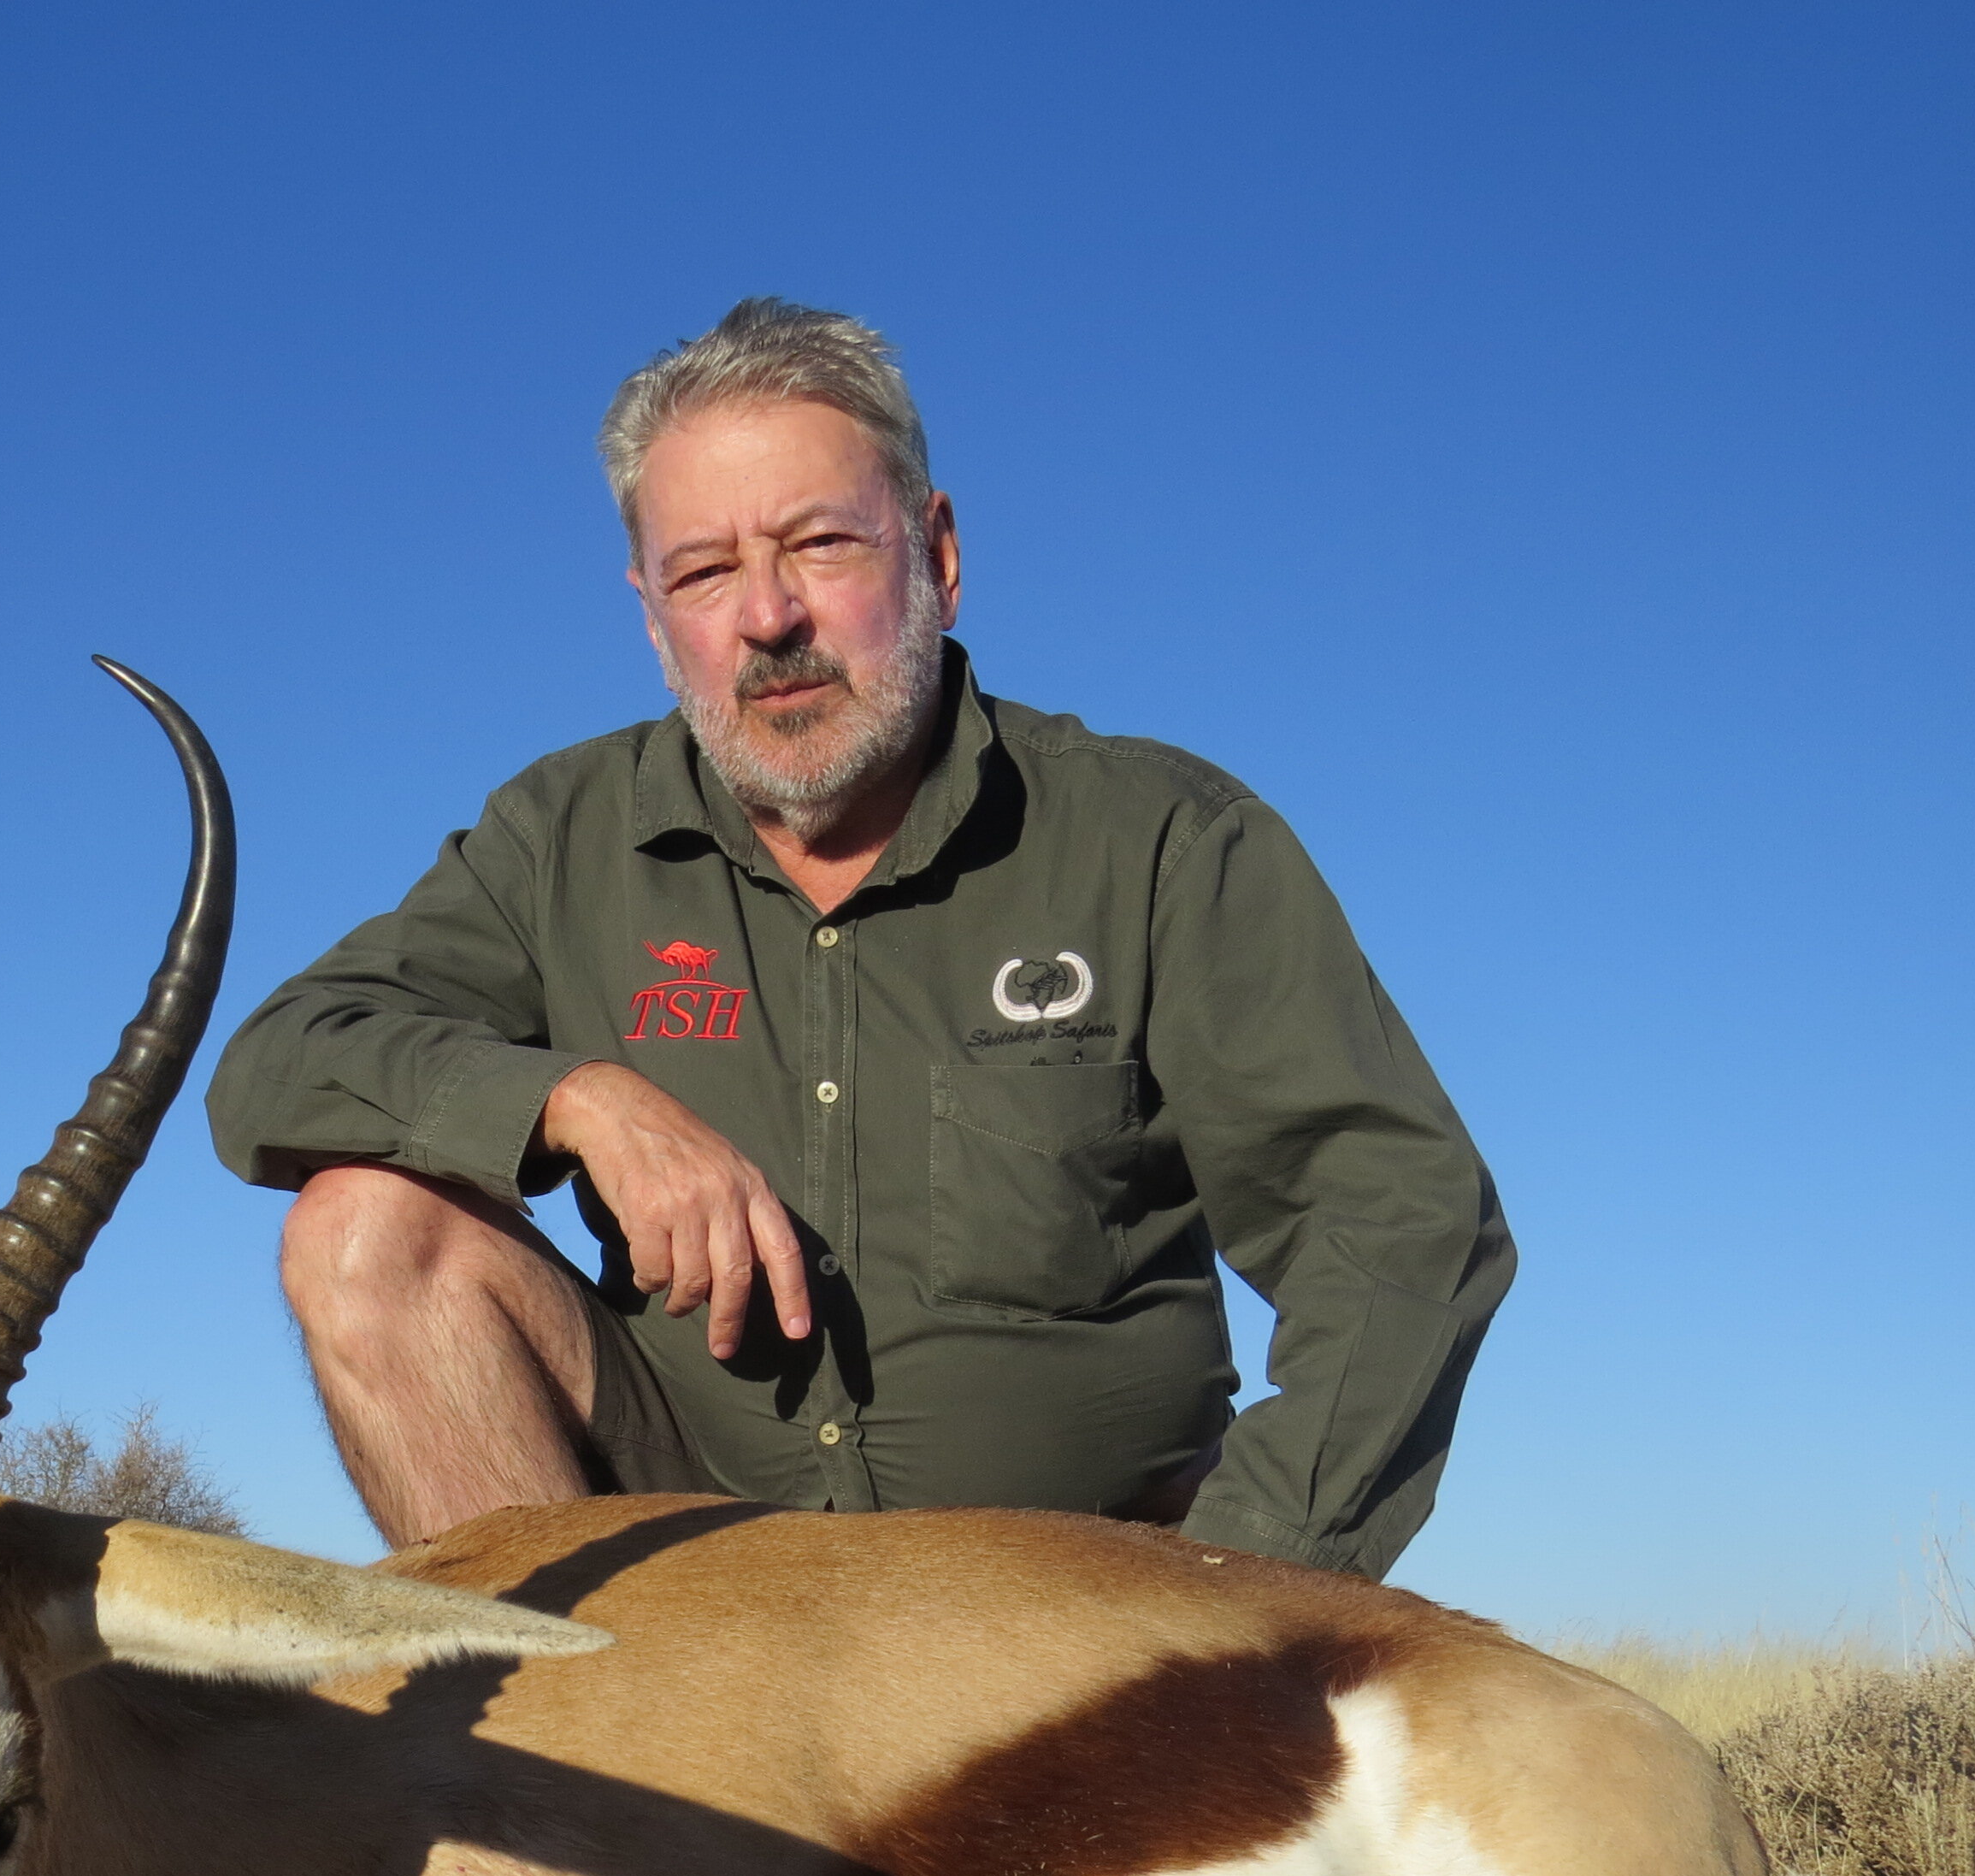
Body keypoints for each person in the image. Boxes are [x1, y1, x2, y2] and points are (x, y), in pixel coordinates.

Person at [206, 299, 1512, 1574]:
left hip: (1078, 1611)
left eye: (821, 545)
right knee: (361, 1228)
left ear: (936, 553)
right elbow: (276, 1065)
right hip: (692, 1591)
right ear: (655, 621)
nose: (767, 618)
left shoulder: (1163, 837)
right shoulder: (562, 838)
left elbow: (1400, 1227)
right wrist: (577, 1100)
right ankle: (570, 1758)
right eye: (705, 572)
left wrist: (1239, 1606)